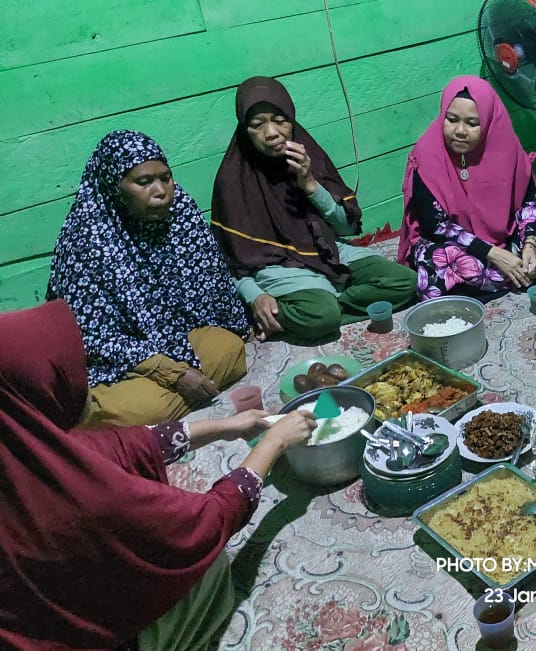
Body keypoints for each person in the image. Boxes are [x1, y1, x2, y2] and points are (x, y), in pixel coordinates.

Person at [0, 299, 316, 650]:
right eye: (68, 373)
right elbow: (208, 521)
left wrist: (227, 426)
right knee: (209, 567)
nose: (85, 381)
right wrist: (272, 444)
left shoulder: (19, 447)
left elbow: (123, 445)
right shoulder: (84, 499)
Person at [47, 129, 251, 427]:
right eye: (144, 182)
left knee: (229, 349)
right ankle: (154, 408)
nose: (161, 191)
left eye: (165, 178)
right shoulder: (87, 238)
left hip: (176, 335)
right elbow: (88, 339)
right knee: (133, 408)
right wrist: (171, 372)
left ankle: (164, 409)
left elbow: (213, 285)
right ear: (114, 187)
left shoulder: (179, 210)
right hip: (122, 362)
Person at [211, 76, 417, 344]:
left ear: (292, 120)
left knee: (406, 282)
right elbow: (231, 262)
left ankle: (324, 303)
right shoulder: (233, 180)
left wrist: (309, 183)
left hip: (326, 251)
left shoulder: (309, 158)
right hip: (278, 268)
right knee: (323, 318)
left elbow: (345, 228)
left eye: (280, 120)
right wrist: (256, 297)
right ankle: (317, 309)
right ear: (244, 129)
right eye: (257, 125)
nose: (272, 133)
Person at [399, 75, 536, 300]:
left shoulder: (506, 147)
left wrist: (530, 244)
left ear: (489, 120)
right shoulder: (427, 155)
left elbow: (527, 203)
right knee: (437, 267)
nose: (460, 131)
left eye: (472, 123)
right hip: (455, 244)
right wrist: (491, 253)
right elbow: (436, 227)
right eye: (452, 120)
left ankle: (520, 269)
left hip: (504, 237)